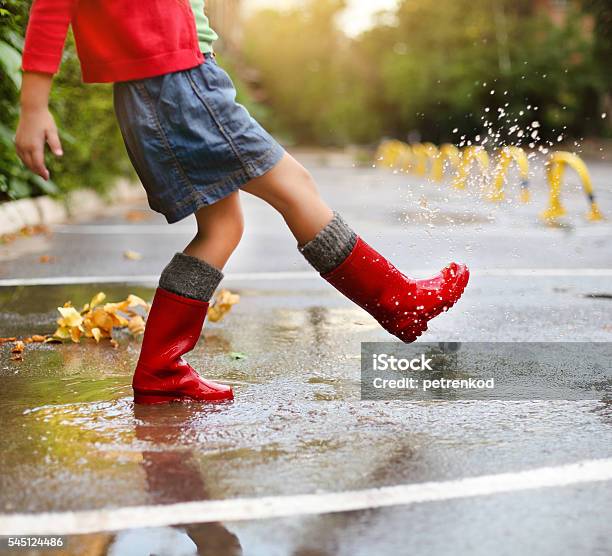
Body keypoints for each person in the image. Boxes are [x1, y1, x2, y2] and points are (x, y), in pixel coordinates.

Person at [15, 0, 469, 405]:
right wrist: (33, 106)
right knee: (294, 186)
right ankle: (397, 300)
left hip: (176, 80)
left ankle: (161, 370)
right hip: (175, 84)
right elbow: (52, 6)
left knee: (222, 228)